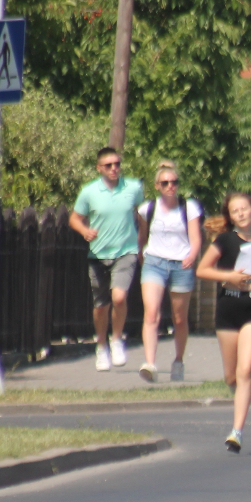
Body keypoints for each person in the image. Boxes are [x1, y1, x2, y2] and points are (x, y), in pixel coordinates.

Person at [196, 193, 251, 453]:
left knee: (245, 371)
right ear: (230, 216)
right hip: (228, 308)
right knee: (231, 375)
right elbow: (202, 269)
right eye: (235, 210)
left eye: (245, 208)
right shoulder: (224, 241)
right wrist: (228, 276)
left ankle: (236, 432)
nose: (241, 213)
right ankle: (238, 395)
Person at [70, 147, 144, 372]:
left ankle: (117, 339)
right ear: (99, 168)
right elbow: (75, 218)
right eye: (109, 165)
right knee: (101, 305)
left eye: (117, 164)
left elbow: (142, 215)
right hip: (99, 254)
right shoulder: (89, 191)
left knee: (119, 297)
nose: (114, 169)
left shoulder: (133, 188)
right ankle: (101, 345)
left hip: (126, 251)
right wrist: (84, 231)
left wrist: (141, 242)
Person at [135, 161, 203, 383]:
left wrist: (191, 257)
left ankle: (178, 360)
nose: (170, 186)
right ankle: (150, 363)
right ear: (157, 186)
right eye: (165, 183)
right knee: (151, 312)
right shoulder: (147, 209)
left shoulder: (188, 207)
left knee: (179, 318)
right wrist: (141, 255)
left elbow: (195, 238)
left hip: (180, 265)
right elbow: (142, 236)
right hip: (155, 262)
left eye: (174, 182)